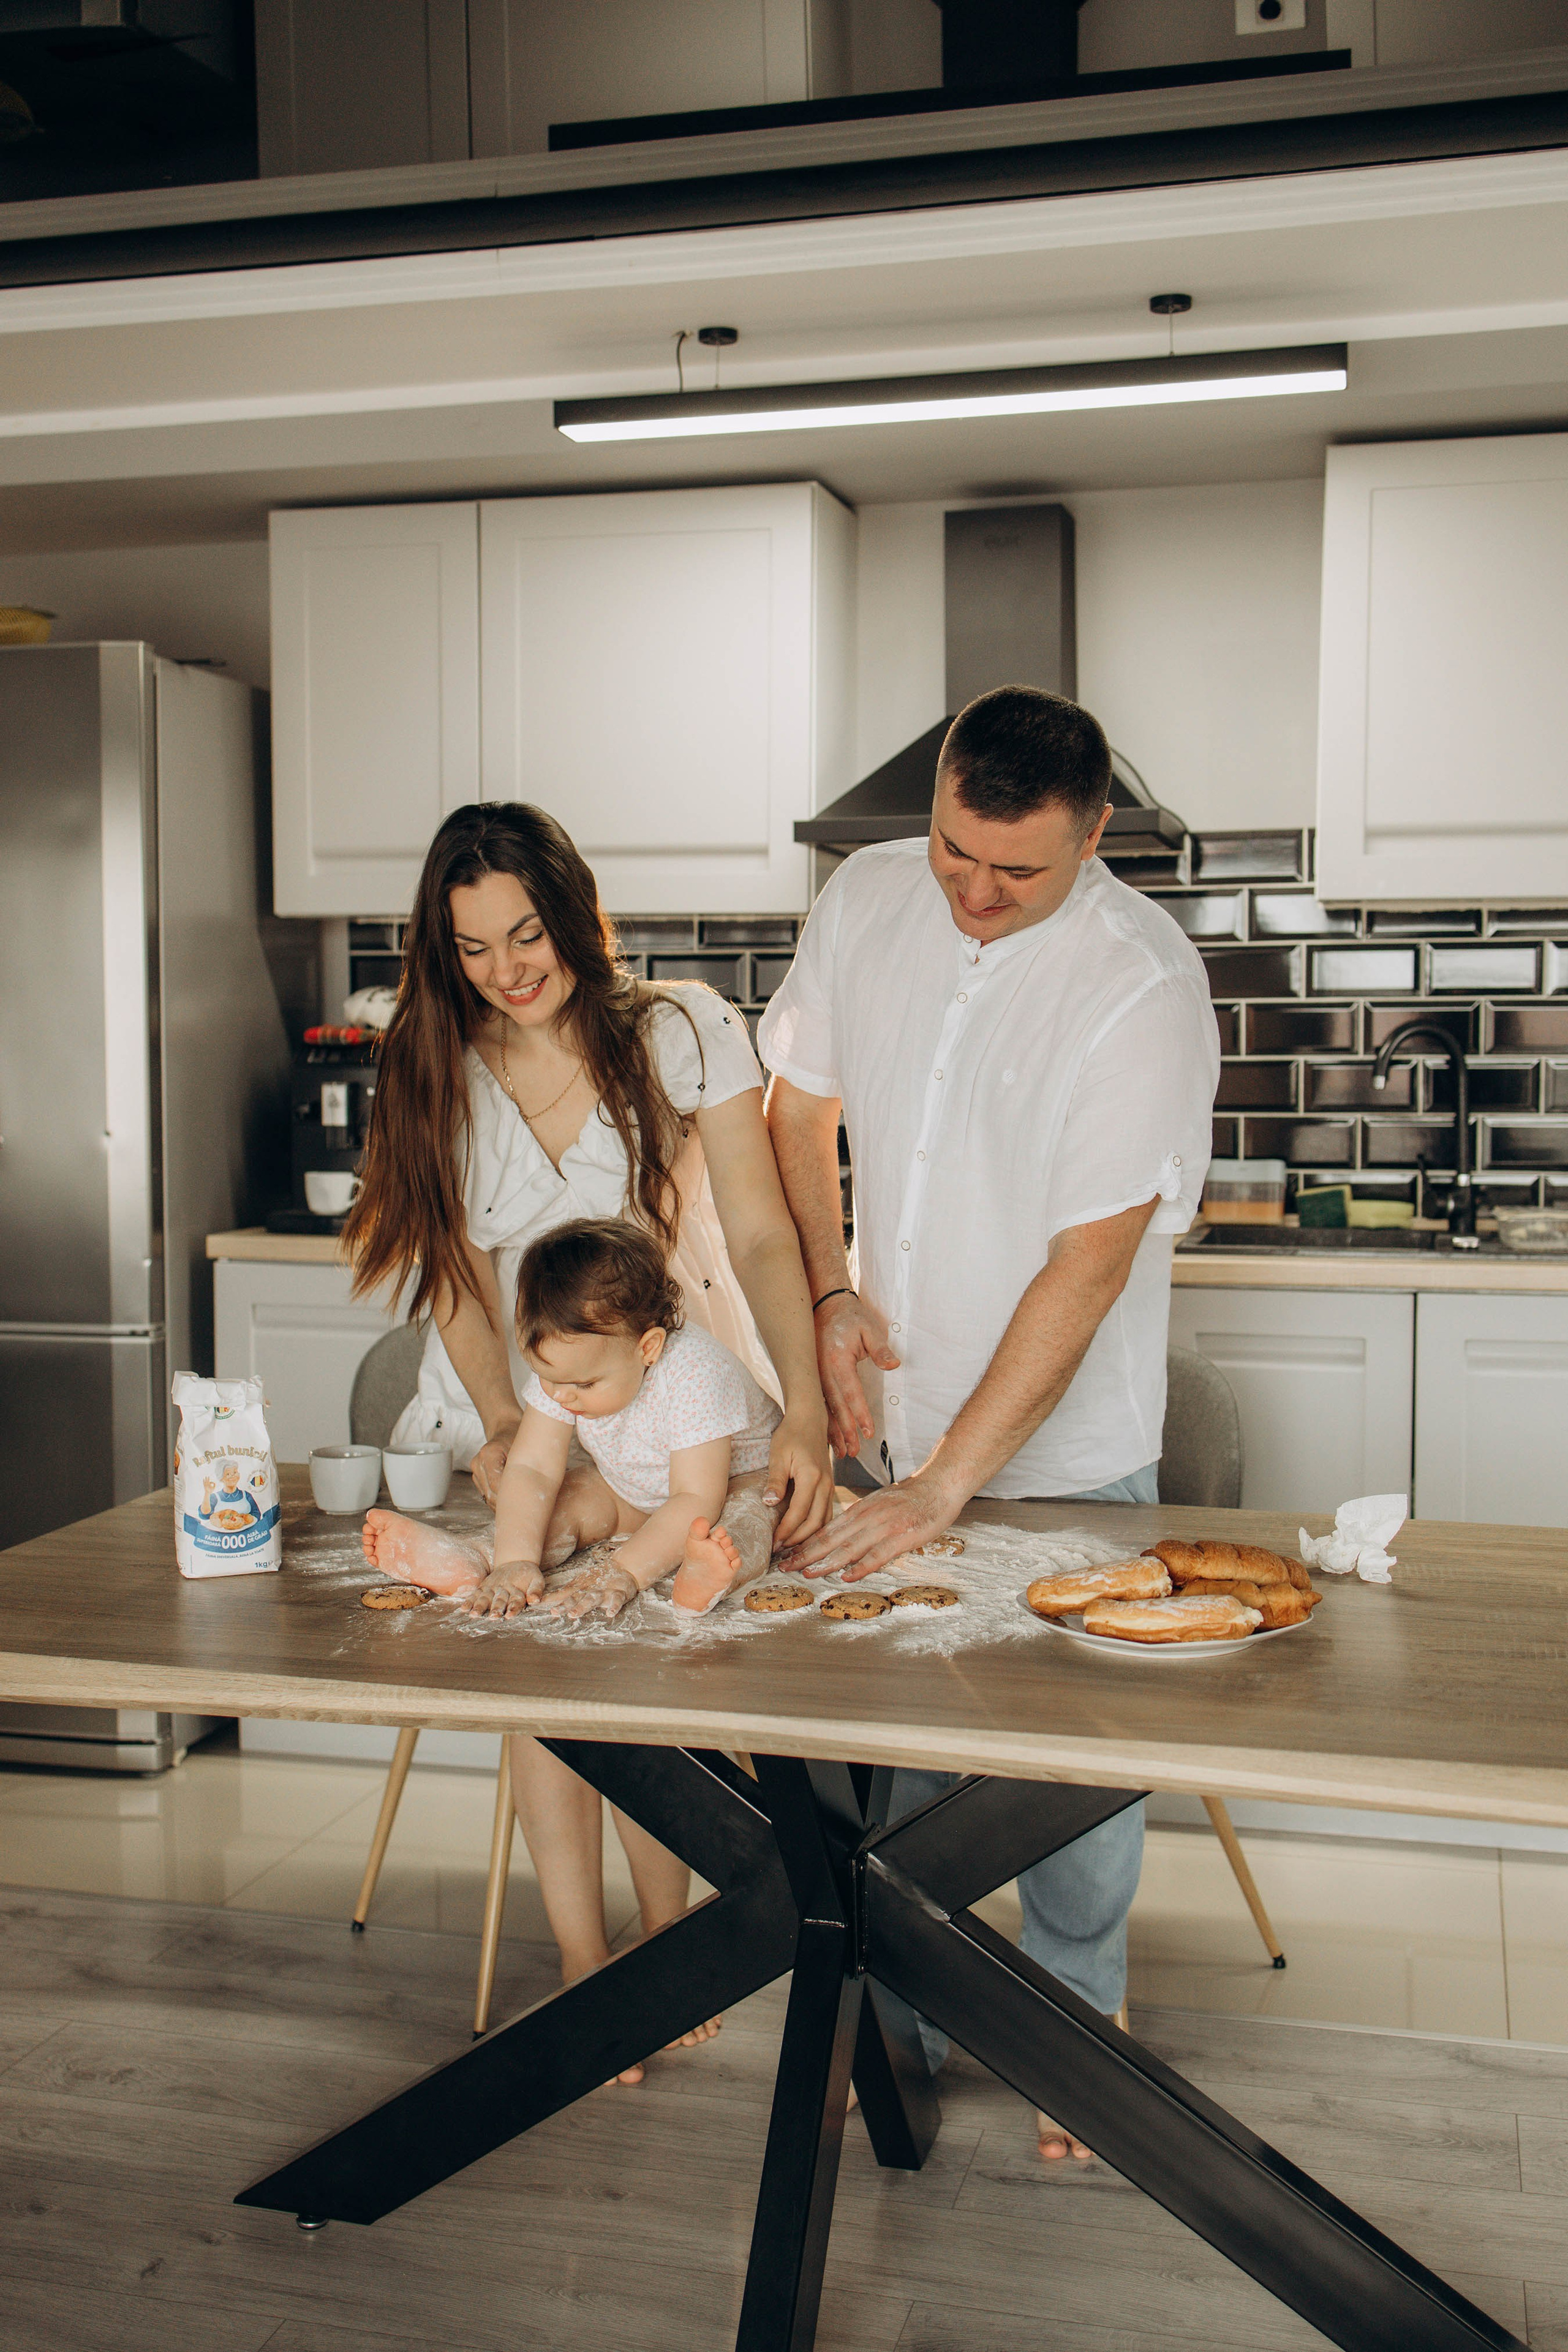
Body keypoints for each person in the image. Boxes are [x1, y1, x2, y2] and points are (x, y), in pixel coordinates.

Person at [759, 685, 1219, 2159]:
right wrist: (828, 1289)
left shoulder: (1138, 985)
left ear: (1093, 835)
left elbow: (1086, 1264)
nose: (969, 887)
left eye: (1011, 870)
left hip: (1062, 1444)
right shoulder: (869, 896)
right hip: (884, 1413)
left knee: (1063, 1764)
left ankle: (1074, 2027)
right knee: (892, 1741)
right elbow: (793, 1104)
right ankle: (896, 2028)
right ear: (941, 792)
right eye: (953, 844)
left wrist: (950, 1479)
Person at [344, 802, 832, 2076]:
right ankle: (582, 1961)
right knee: (533, 1664)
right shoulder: (429, 1061)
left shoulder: (676, 1031)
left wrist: (813, 1408)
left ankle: (671, 1951)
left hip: (676, 1402)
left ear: (574, 913)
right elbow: (449, 1271)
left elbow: (768, 1233)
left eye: (527, 932)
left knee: (662, 1671)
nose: (509, 969)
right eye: (471, 948)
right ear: (437, 953)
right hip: (529, 1410)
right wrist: (506, 1424)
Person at [361, 1216, 782, 1619]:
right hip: (633, 1488)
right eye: (546, 1377)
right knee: (567, 1498)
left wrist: (625, 1570)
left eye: (583, 1385)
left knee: (744, 1523)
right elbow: (532, 1469)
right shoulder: (563, 1375)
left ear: (648, 1348)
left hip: (732, 1483)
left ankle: (707, 1576)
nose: (560, 1397)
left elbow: (695, 1497)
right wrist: (516, 1558)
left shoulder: (697, 1372)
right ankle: (478, 1555)